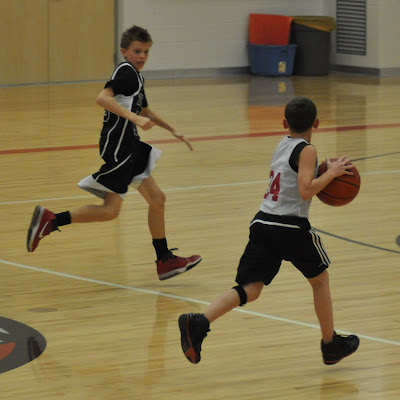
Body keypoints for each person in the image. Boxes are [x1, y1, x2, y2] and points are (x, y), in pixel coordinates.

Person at [178, 96, 359, 365]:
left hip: (263, 223)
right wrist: (331, 173)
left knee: (250, 288)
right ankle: (330, 344)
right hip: (289, 226)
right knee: (320, 281)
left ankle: (198, 322)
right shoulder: (307, 150)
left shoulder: (282, 144)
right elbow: (305, 190)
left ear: (285, 123)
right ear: (317, 123)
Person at [26, 25, 201, 281]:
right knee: (112, 210)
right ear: (124, 51)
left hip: (130, 145)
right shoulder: (126, 72)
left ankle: (164, 260)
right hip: (121, 147)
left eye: (146, 52)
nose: (142, 56)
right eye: (137, 51)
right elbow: (102, 98)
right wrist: (134, 118)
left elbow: (146, 111)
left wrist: (173, 130)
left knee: (154, 200)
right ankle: (51, 221)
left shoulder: (137, 77)